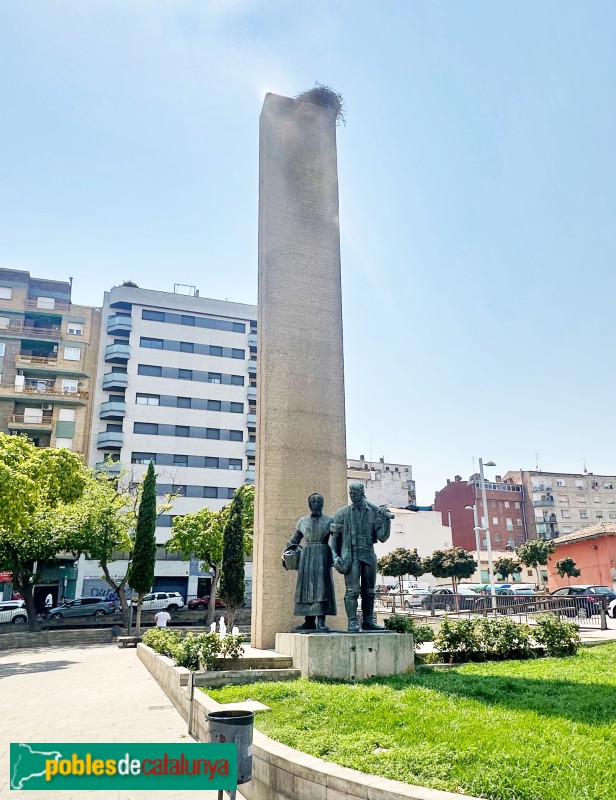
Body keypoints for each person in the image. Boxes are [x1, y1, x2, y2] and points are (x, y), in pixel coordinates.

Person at [330, 482, 393, 633]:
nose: (354, 497)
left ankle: (368, 621)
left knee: (369, 591)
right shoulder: (342, 513)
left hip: (368, 554)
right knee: (352, 591)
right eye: (351, 494)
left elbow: (382, 537)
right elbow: (335, 539)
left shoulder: (374, 513)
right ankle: (352, 622)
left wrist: (386, 521)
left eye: (357, 494)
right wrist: (335, 556)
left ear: (363, 493)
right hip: (350, 555)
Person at [285, 493, 336, 632]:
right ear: (309, 504)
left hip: (322, 555)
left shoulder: (330, 520)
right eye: (313, 501)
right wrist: (286, 553)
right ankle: (308, 621)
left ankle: (321, 620)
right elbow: (295, 539)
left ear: (322, 503)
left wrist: (336, 556)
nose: (315, 503)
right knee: (305, 588)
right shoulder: (302, 521)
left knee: (321, 588)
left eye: (318, 501)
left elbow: (337, 539)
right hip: (306, 557)